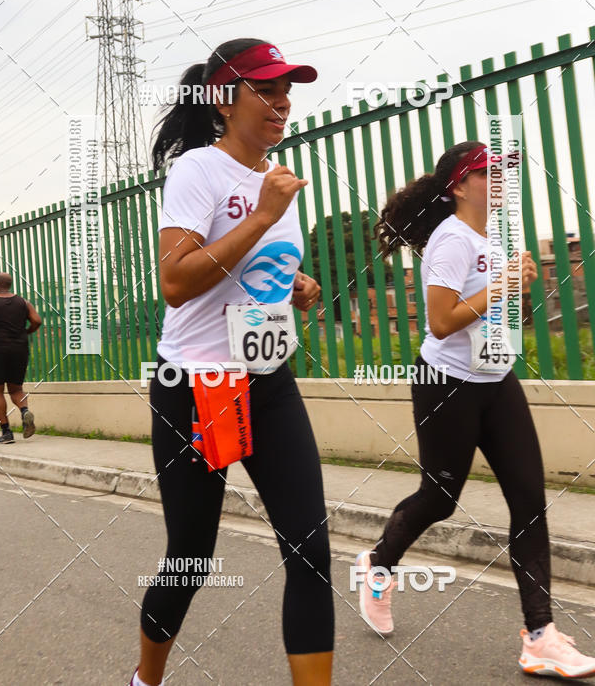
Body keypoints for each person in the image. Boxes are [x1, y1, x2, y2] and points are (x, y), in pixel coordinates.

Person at [130, 39, 334, 686]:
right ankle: (146, 679)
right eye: (266, 90)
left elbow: (249, 272)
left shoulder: (275, 178)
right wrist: (265, 216)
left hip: (268, 378)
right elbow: (177, 280)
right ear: (223, 99)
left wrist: (295, 284)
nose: (282, 102)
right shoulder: (198, 171)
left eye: (286, 90)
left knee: (310, 549)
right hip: (197, 384)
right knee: (191, 557)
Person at [355, 141, 595, 679]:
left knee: (529, 500)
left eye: (503, 172)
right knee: (439, 497)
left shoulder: (495, 237)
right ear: (458, 186)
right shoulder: (451, 240)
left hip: (496, 378)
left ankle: (540, 637)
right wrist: (501, 284)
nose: (500, 180)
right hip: (446, 382)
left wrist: (518, 279)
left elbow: (492, 310)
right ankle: (377, 563)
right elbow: (441, 321)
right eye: (488, 173)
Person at [0, 272, 40, 443]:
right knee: (16, 389)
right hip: (19, 349)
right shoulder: (23, 302)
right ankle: (24, 411)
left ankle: (6, 432)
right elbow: (37, 320)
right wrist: (27, 332)